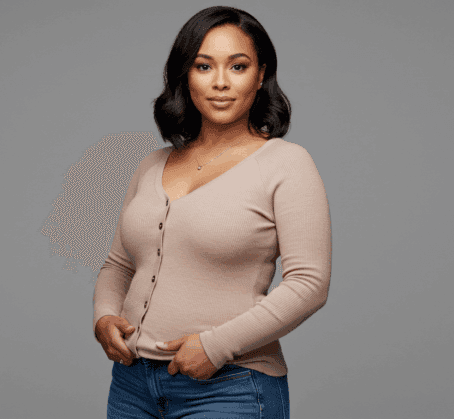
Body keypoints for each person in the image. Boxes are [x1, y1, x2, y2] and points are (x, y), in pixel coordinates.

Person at [93, 5, 331, 418]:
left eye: (238, 66)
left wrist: (214, 347)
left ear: (261, 75)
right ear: (185, 75)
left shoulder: (287, 164)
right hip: (132, 385)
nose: (220, 82)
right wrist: (104, 318)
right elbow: (118, 265)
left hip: (230, 386)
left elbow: (310, 283)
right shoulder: (152, 164)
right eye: (204, 66)